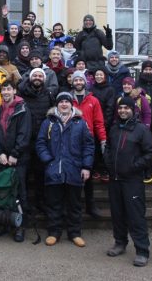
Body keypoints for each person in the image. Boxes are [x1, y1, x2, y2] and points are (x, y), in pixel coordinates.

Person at [36, 92, 94, 247]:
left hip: (74, 169)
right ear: (57, 104)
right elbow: (40, 143)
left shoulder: (80, 123)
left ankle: (74, 233)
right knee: (54, 203)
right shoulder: (48, 122)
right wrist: (48, 160)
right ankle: (54, 232)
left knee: (74, 204)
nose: (63, 104)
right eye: (61, 102)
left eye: (66, 102)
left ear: (71, 104)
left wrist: (86, 166)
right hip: (54, 169)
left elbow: (88, 145)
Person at [104, 97, 152, 267]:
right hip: (115, 180)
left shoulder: (141, 130)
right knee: (117, 214)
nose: (123, 111)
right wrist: (109, 164)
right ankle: (120, 243)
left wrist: (134, 167)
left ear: (133, 110)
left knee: (136, 217)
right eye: (120, 108)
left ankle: (142, 250)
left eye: (126, 108)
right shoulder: (113, 129)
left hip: (132, 180)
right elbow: (108, 149)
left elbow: (151, 153)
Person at [0, 81, 32, 242]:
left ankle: (20, 227)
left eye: (9, 89)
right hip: (1, 158)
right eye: (4, 89)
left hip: (18, 158)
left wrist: (15, 153)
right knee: (1, 193)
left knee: (19, 193)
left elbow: (24, 133)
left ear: (14, 90)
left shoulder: (22, 109)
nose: (6, 92)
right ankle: (3, 223)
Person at [70, 71, 107, 218]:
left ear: (85, 82)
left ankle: (90, 205)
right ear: (72, 82)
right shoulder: (67, 99)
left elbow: (99, 122)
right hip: (71, 141)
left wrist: (103, 139)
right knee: (73, 175)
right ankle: (75, 206)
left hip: (88, 142)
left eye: (81, 80)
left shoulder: (93, 100)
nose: (78, 82)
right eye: (76, 80)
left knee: (88, 175)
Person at [18, 67, 55, 213]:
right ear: (30, 78)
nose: (38, 78)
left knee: (41, 174)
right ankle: (24, 203)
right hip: (25, 140)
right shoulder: (22, 93)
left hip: (42, 141)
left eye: (40, 76)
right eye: (35, 75)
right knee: (25, 174)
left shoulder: (49, 94)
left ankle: (40, 202)